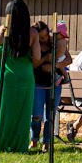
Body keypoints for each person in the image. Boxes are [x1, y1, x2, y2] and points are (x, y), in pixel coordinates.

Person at [0, 0, 36, 155]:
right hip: (25, 75)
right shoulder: (32, 32)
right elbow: (37, 56)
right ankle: (19, 146)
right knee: (21, 112)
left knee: (1, 110)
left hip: (5, 75)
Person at [29, 17, 61, 151]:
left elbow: (68, 59)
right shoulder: (33, 44)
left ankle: (47, 142)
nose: (44, 40)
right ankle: (34, 139)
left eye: (45, 36)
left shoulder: (53, 43)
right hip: (37, 82)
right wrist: (44, 59)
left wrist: (53, 65)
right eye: (40, 37)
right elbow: (34, 63)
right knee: (36, 114)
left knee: (51, 114)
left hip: (54, 82)